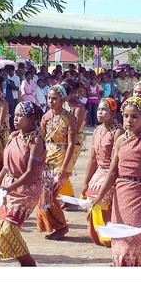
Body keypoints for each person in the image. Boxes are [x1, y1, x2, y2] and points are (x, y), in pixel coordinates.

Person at [90, 95, 141, 266]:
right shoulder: (120, 139)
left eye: (135, 116)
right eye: (126, 116)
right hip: (120, 195)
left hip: (138, 193)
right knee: (119, 241)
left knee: (133, 241)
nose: (129, 120)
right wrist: (100, 196)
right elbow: (113, 172)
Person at [0, 101, 45, 266]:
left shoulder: (36, 141)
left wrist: (8, 189)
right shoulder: (14, 137)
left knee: (9, 229)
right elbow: (6, 166)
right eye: (15, 114)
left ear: (31, 118)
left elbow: (29, 172)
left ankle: (29, 264)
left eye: (21, 115)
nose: (15, 118)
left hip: (26, 189)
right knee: (1, 232)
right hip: (9, 185)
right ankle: (24, 263)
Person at [35, 84, 77, 240]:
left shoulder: (69, 118)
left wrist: (64, 167)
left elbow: (71, 144)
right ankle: (53, 225)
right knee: (44, 193)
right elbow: (42, 139)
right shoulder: (46, 117)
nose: (51, 101)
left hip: (62, 157)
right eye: (49, 98)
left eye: (54, 99)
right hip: (47, 158)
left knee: (50, 193)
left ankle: (61, 226)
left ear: (62, 100)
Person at [81, 97, 123, 247]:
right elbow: (93, 158)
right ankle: (98, 233)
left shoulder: (118, 132)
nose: (100, 112)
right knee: (90, 195)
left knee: (102, 197)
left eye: (104, 109)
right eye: (99, 109)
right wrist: (86, 181)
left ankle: (108, 235)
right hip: (99, 171)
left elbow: (114, 161)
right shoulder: (97, 130)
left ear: (113, 113)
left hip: (111, 172)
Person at [59, 80, 87, 210]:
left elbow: (75, 127)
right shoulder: (62, 105)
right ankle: (66, 197)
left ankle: (71, 199)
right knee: (60, 168)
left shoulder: (78, 108)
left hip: (74, 141)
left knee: (65, 169)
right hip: (61, 140)